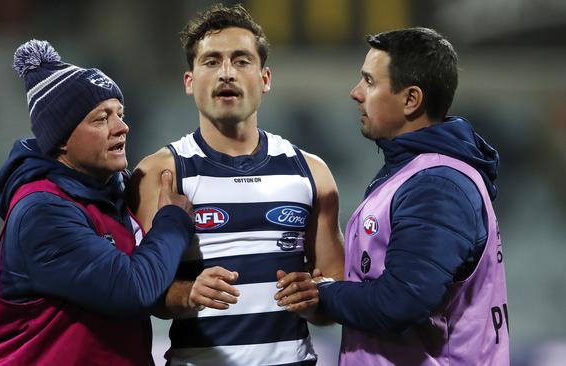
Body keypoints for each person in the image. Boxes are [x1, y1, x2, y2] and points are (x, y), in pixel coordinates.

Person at [131, 4, 344, 365]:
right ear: (189, 81)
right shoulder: (159, 175)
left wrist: (317, 297)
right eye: (211, 61)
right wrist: (188, 293)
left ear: (265, 79)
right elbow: (138, 291)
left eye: (242, 60)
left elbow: (337, 294)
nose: (226, 73)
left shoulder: (312, 172)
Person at [0, 39, 194, 365]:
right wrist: (172, 221)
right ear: (61, 139)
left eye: (120, 114)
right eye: (101, 119)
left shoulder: (112, 193)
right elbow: (133, 290)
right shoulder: (42, 211)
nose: (122, 127)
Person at [313, 27, 510, 365]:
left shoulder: (438, 187)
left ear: (410, 100)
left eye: (370, 82)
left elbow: (401, 302)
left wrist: (322, 294)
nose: (356, 93)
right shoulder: (416, 173)